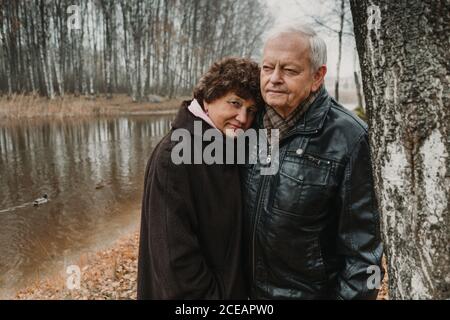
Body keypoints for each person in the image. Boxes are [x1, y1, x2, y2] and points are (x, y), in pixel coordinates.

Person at [240, 24, 384, 299]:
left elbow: (363, 258)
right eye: (267, 68)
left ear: (318, 76)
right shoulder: (248, 124)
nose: (274, 79)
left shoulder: (350, 137)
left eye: (289, 70)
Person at [137, 57, 263, 299]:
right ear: (208, 98)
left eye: (251, 110)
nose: (243, 118)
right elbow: (175, 262)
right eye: (234, 103)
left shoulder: (226, 144)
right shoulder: (175, 155)